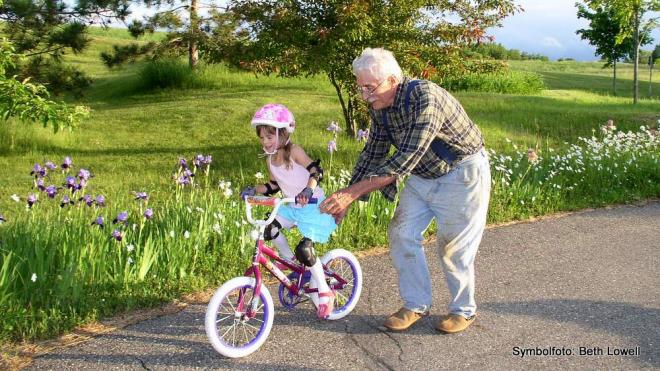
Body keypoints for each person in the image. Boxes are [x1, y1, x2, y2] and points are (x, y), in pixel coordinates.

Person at [320, 48, 491, 333]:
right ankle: (416, 304)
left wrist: (352, 193)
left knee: (453, 248)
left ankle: (463, 310)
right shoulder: (380, 107)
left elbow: (405, 158)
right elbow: (373, 152)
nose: (364, 95)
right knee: (401, 233)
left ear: (392, 80)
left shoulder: (426, 98)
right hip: (423, 175)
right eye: (360, 87)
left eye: (370, 88)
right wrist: (348, 197)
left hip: (462, 173)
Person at [240, 103, 338, 318]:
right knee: (269, 230)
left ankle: (324, 291)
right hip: (291, 206)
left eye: (270, 136)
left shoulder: (294, 151)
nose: (265, 142)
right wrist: (252, 190)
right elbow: (273, 186)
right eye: (262, 138)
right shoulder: (270, 160)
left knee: (305, 250)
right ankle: (290, 262)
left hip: (313, 206)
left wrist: (307, 190)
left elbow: (316, 171)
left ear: (283, 133)